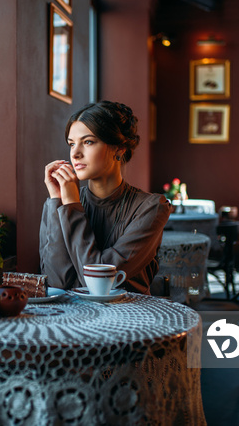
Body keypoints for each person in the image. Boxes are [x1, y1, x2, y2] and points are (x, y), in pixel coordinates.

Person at [39, 101, 172, 294]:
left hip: (128, 319)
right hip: (70, 319)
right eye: (71, 144)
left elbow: (99, 283)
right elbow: (56, 283)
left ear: (119, 148)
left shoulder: (152, 207)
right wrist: (58, 202)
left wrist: (71, 207)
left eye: (88, 142)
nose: (75, 154)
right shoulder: (62, 201)